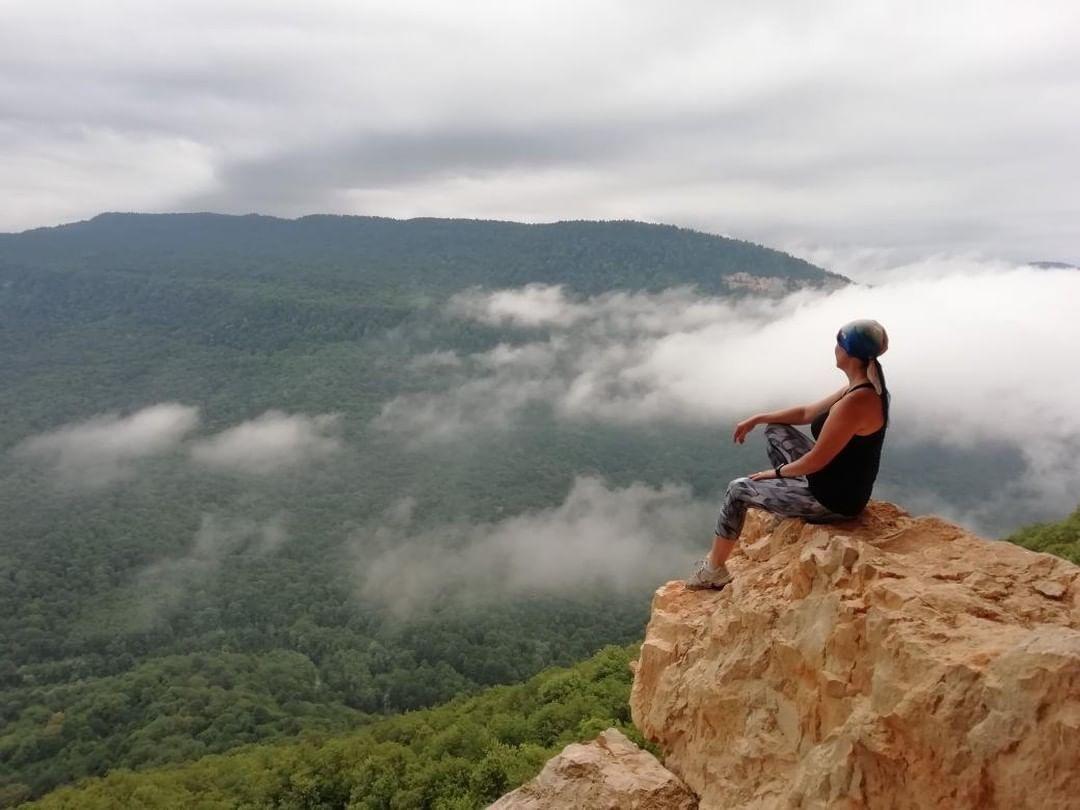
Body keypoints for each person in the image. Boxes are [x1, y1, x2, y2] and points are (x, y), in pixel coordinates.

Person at [686, 319, 891, 590]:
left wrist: (775, 474)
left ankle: (713, 571)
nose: (834, 349)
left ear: (848, 354)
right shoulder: (861, 387)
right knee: (775, 430)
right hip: (829, 478)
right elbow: (807, 413)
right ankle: (787, 501)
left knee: (738, 490)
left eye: (838, 344)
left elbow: (817, 459)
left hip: (834, 500)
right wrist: (759, 418)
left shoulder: (856, 402)